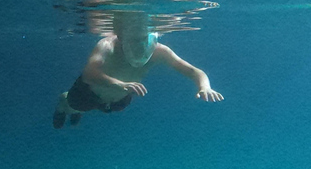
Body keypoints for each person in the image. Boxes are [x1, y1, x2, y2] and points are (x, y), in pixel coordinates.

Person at [53, 11, 224, 129]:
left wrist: (205, 87)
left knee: (90, 108)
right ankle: (64, 103)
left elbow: (193, 71)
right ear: (122, 35)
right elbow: (89, 73)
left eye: (143, 38)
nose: (140, 46)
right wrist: (119, 84)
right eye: (134, 39)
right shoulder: (108, 45)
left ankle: (75, 109)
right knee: (72, 106)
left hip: (120, 99)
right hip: (88, 94)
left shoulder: (159, 51)